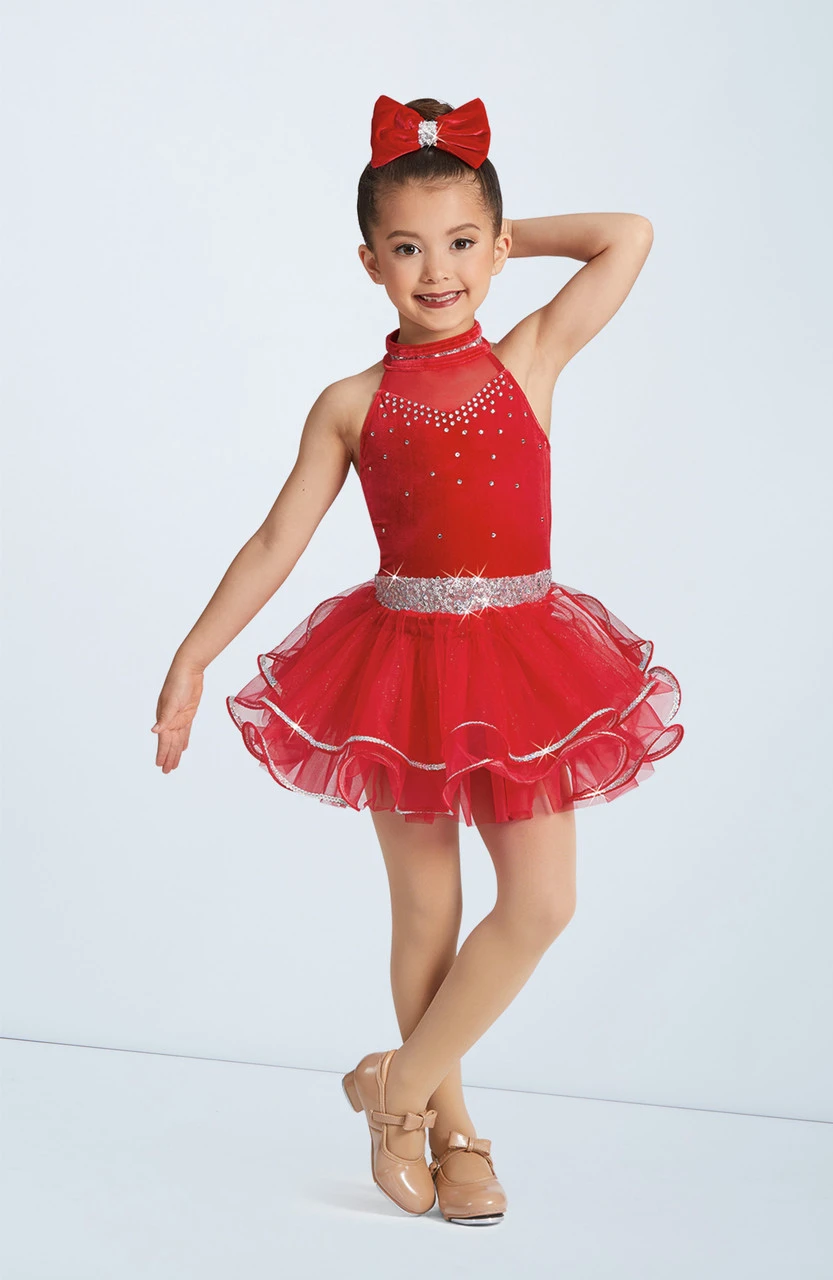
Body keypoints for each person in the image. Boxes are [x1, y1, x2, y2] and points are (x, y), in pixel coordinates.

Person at [152, 94, 684, 1226]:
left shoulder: (530, 355)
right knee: (427, 913)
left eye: (460, 243)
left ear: (493, 247)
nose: (436, 271)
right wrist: (193, 658)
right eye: (406, 248)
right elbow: (276, 540)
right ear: (368, 262)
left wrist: (509, 237)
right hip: (396, 670)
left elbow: (626, 235)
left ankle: (391, 1090)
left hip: (526, 661)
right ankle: (452, 1129)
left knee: (540, 902)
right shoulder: (351, 404)